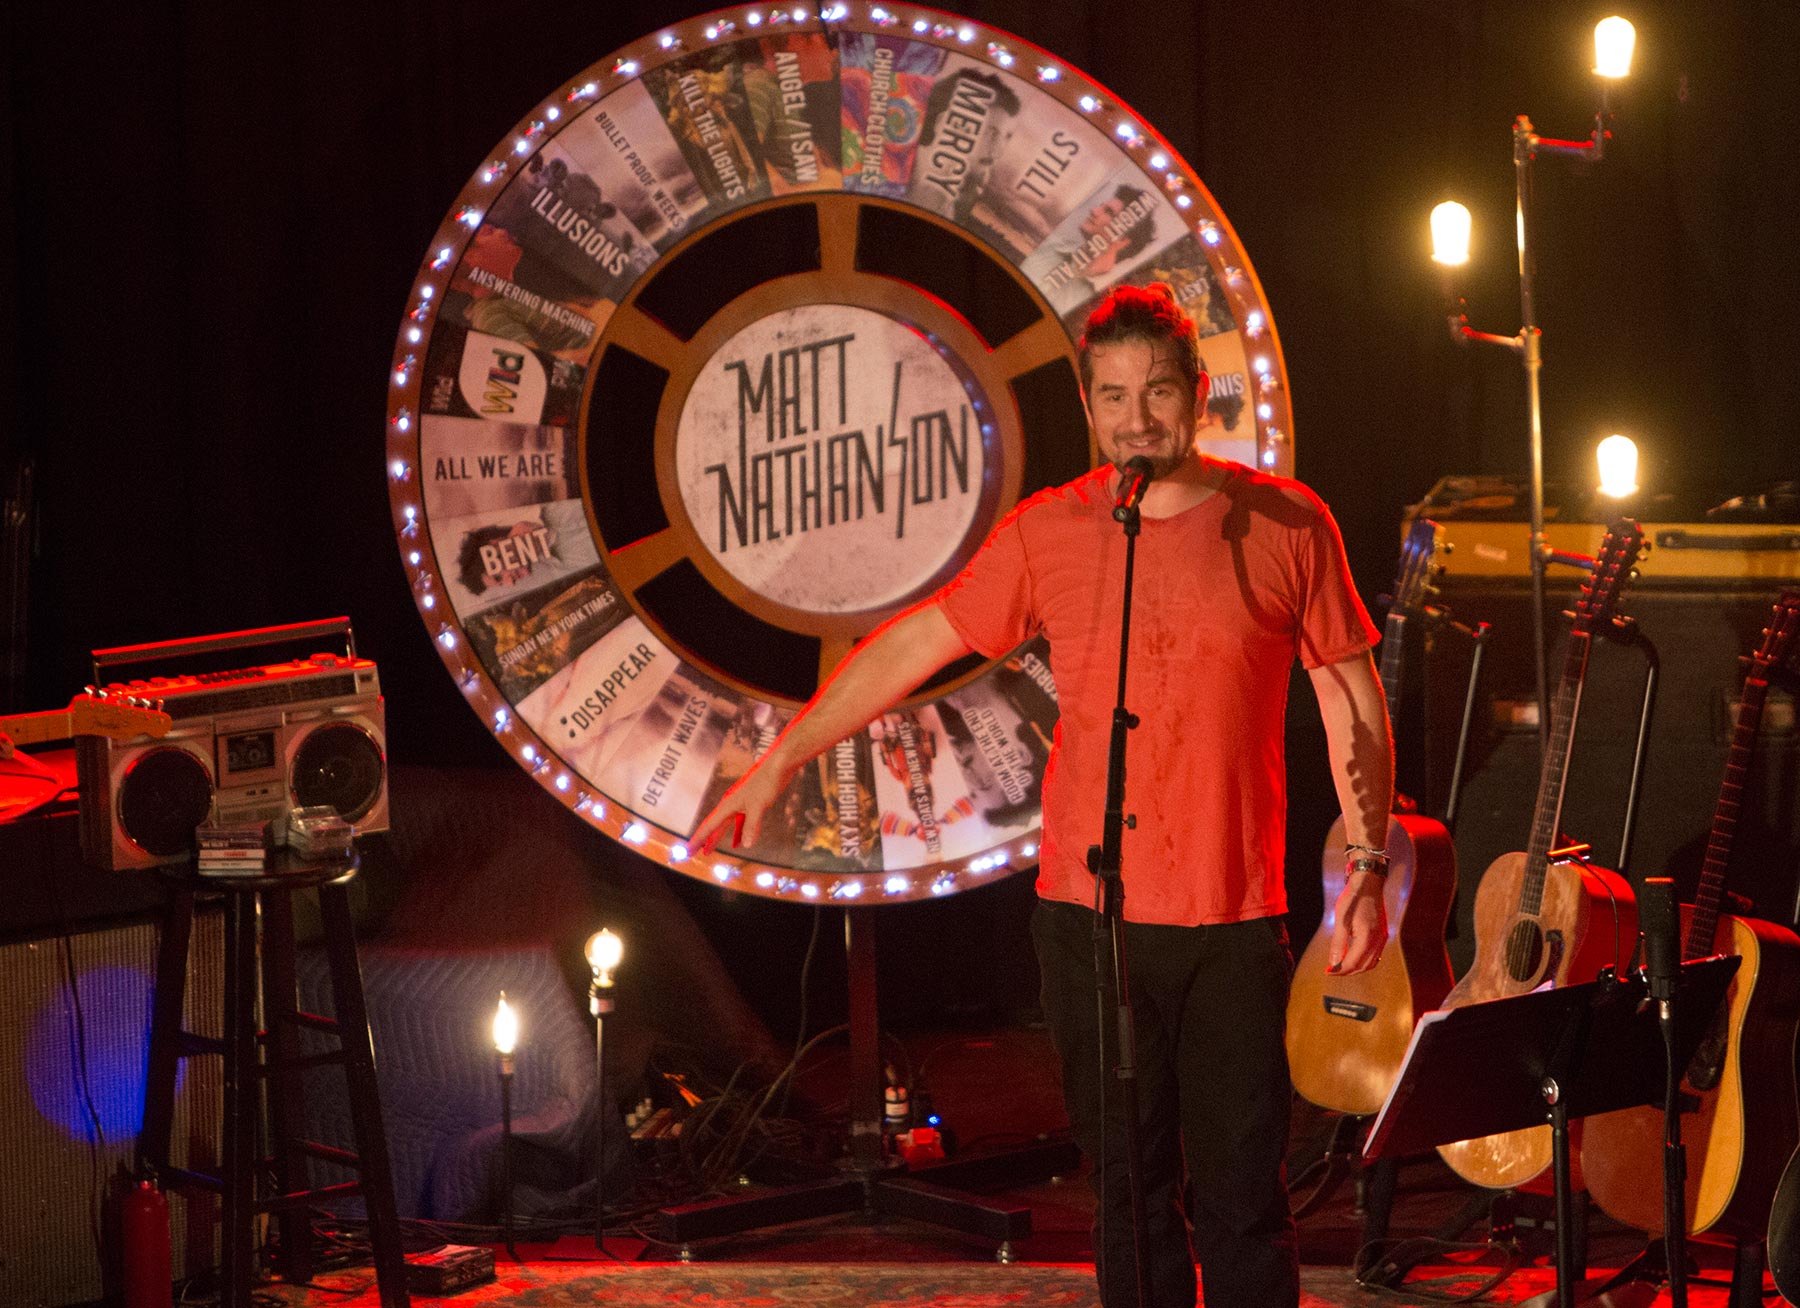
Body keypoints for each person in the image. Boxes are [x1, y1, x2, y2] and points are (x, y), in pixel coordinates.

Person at [696, 282, 1393, 1308]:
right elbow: (916, 645)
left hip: (1233, 922)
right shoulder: (1051, 531)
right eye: (1113, 396)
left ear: (1199, 394)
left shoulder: (1285, 523)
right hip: (1089, 919)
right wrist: (780, 761)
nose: (1137, 417)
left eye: (1158, 391)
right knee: (1127, 1193)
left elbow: (1352, 701)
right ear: (1088, 407)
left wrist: (1368, 867)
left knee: (1244, 1197)